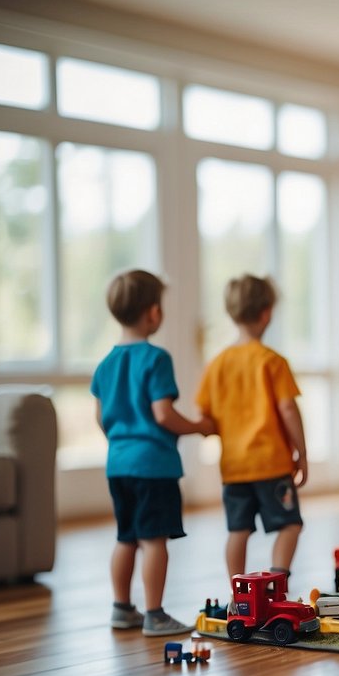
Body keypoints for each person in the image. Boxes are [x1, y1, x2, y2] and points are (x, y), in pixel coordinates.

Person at [91, 270, 213, 636]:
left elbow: (101, 417)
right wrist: (198, 427)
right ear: (153, 313)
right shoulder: (156, 359)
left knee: (125, 537)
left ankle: (121, 608)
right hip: (153, 467)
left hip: (119, 465)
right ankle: (155, 614)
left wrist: (120, 445)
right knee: (154, 540)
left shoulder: (106, 364)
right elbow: (163, 414)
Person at [197, 275, 308, 582]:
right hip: (272, 465)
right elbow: (287, 408)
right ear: (267, 313)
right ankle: (277, 580)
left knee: (237, 531)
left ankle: (238, 592)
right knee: (290, 524)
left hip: (234, 468)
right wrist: (301, 451)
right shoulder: (272, 362)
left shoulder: (216, 364)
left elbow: (206, 419)